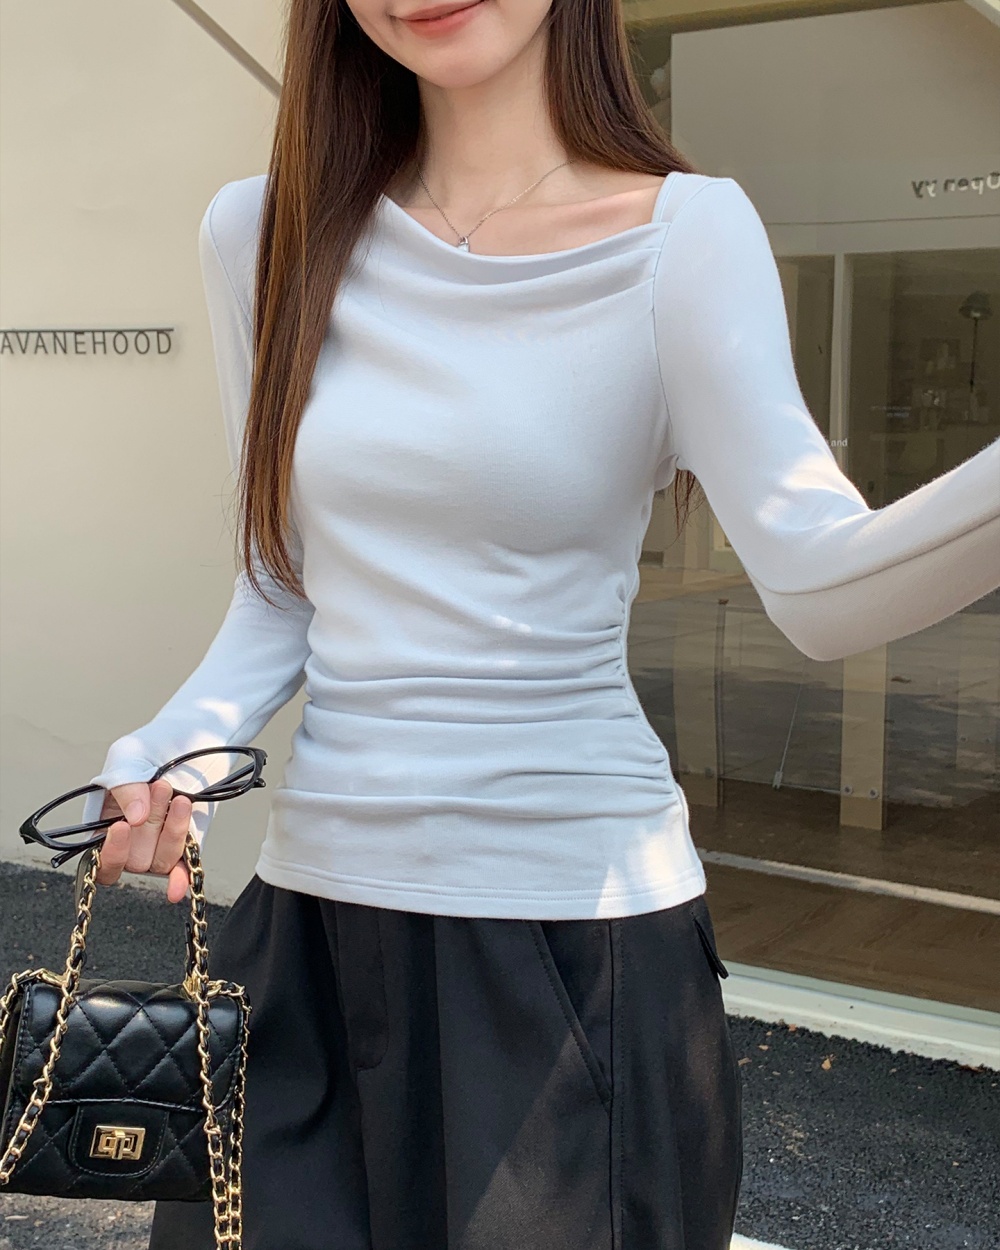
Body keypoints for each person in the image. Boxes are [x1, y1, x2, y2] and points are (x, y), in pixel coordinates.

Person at [79, 2, 1000, 1247]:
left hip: (574, 948)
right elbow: (283, 584)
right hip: (310, 936)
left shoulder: (684, 234)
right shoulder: (261, 231)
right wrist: (175, 747)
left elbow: (822, 586)